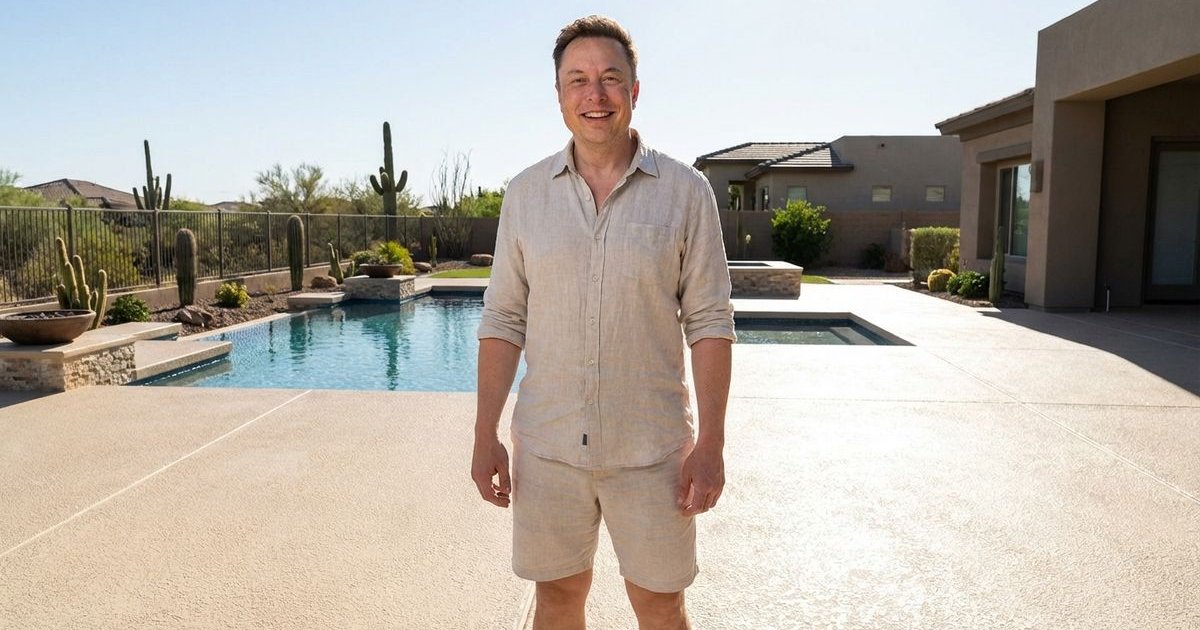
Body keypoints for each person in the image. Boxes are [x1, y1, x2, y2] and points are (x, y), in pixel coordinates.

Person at [472, 14, 734, 630]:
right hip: (549, 448)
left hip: (654, 451)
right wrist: (486, 433)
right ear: (559, 95)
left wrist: (713, 444)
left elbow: (710, 320)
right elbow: (504, 318)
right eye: (578, 80)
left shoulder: (686, 192)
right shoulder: (525, 195)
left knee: (661, 605)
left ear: (635, 91)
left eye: (611, 78)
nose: (595, 95)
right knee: (558, 599)